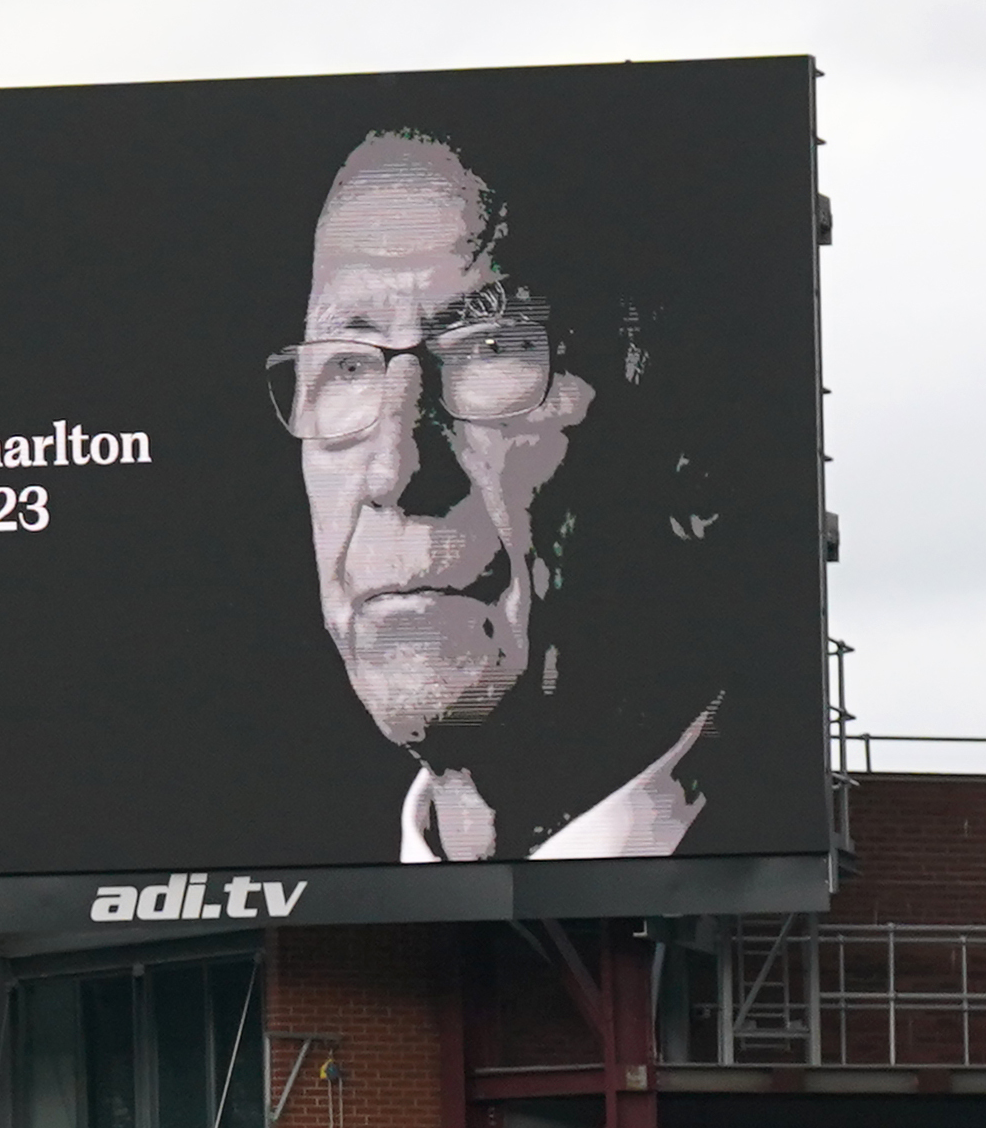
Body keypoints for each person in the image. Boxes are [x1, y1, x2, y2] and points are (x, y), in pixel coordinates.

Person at [273, 124, 718, 862]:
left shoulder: (766, 842)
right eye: (348, 366)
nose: (395, 471)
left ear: (690, 457)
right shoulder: (297, 888)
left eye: (490, 347)